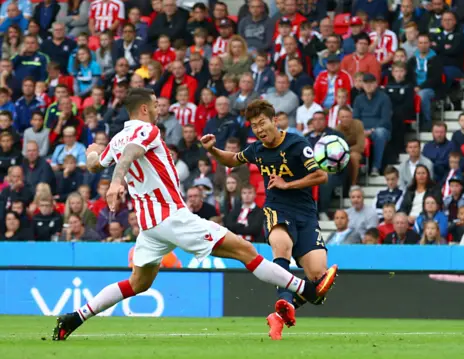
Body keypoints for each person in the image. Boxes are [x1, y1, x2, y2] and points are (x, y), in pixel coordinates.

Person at [53, 90, 337, 341]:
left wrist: (92, 153)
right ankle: (307, 290)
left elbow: (94, 164)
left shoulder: (115, 139)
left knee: (138, 283)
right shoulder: (147, 131)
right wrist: (117, 182)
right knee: (245, 250)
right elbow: (129, 154)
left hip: (149, 226)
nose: (158, 108)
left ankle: (75, 317)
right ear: (143, 109)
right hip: (172, 218)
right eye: (154, 104)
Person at [200, 99, 337, 340]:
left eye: (262, 123)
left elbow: (320, 176)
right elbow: (232, 159)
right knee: (281, 246)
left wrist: (288, 184)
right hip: (277, 209)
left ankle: (281, 314)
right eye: (254, 126)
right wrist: (212, 149)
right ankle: (283, 301)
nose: (259, 130)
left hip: (305, 214)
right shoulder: (256, 150)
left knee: (318, 281)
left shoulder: (297, 144)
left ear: (275, 120)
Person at [352, 73, 392, 176]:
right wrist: (362, 131)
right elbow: (355, 118)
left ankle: (376, 167)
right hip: (362, 130)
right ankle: (359, 167)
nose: (368, 86)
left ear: (376, 84)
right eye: (366, 83)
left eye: (371, 83)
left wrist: (372, 130)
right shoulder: (358, 99)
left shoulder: (384, 98)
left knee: (380, 133)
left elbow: (385, 119)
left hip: (379, 129)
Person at [407, 33, 444, 128]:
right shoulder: (412, 60)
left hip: (431, 89)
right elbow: (409, 76)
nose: (423, 45)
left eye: (425, 43)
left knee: (422, 95)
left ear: (429, 44)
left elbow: (436, 78)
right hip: (415, 87)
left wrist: (420, 87)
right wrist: (414, 87)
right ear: (417, 44)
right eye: (420, 43)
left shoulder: (436, 59)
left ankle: (427, 121)